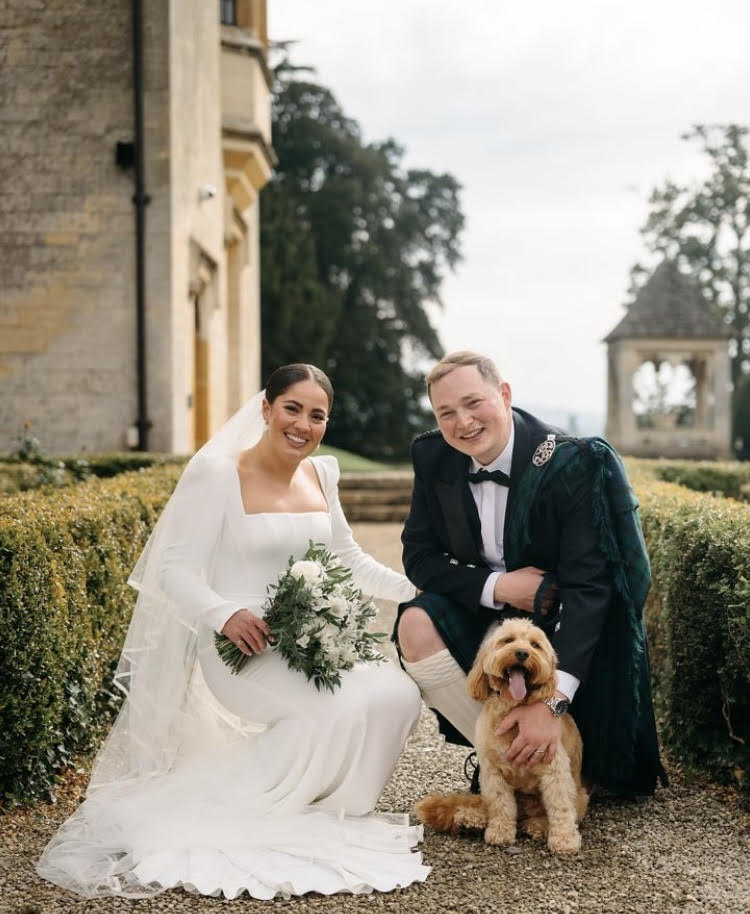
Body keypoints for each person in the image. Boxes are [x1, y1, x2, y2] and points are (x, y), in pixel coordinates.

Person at [37, 364, 429, 900]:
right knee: (332, 709)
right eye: (292, 408)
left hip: (313, 635)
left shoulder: (324, 474)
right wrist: (225, 613)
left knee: (398, 694)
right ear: (266, 409)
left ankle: (334, 807)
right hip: (241, 647)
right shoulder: (218, 474)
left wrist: (416, 593)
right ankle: (261, 806)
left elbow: (347, 557)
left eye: (318, 416)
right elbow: (172, 570)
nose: (303, 424)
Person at [396, 351, 666, 797]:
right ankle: (506, 760)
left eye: (473, 403)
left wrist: (552, 703)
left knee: (602, 771)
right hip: (490, 619)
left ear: (504, 394)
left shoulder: (569, 463)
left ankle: (561, 757)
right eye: (446, 412)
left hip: (565, 631)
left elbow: (590, 590)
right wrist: (498, 587)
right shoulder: (433, 457)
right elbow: (419, 556)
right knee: (416, 624)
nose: (462, 422)